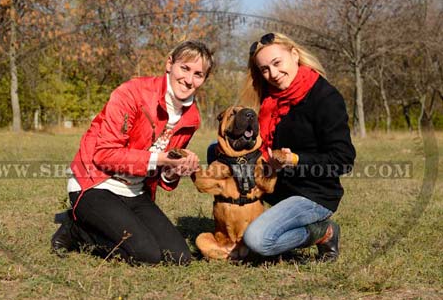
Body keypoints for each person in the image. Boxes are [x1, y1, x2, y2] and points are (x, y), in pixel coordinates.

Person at [51, 40, 215, 265]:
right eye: (184, 68)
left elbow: (163, 178)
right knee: (146, 255)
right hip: (95, 182)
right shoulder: (132, 92)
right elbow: (104, 154)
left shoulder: (191, 117)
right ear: (169, 64)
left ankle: (103, 225)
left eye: (198, 74)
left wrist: (175, 169)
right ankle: (76, 229)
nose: (189, 80)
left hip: (136, 191)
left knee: (178, 257)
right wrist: (160, 158)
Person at [239, 32, 356, 262]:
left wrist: (295, 160)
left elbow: (344, 160)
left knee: (257, 240)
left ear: (294, 54)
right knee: (216, 151)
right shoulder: (271, 98)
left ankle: (324, 232)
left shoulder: (325, 98)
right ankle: (238, 217)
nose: (272, 74)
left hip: (313, 194)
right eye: (264, 69)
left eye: (276, 63)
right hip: (278, 186)